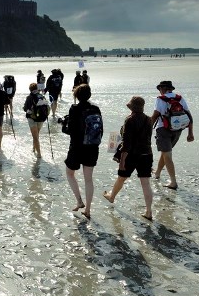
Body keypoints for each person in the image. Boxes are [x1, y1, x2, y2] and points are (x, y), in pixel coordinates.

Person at [103, 96, 154, 221]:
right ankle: (149, 211)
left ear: (131, 107)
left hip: (131, 155)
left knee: (121, 178)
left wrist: (122, 161)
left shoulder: (129, 120)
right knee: (145, 183)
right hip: (147, 154)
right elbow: (148, 138)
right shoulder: (149, 119)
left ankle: (112, 197)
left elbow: (126, 144)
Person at [62, 84, 102, 218]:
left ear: (76, 96)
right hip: (92, 147)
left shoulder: (75, 108)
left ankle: (79, 201)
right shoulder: (96, 108)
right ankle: (88, 210)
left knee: (69, 173)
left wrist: (64, 124)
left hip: (77, 147)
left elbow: (71, 130)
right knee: (88, 179)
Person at [150, 80, 194, 189]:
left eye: (160, 89)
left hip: (163, 130)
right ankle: (157, 173)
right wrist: (190, 133)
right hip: (178, 129)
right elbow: (189, 115)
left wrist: (147, 129)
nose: (159, 91)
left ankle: (173, 182)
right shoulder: (179, 98)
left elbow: (155, 115)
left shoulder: (160, 99)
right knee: (165, 152)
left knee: (167, 155)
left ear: (163, 89)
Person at [23, 83, 50, 159]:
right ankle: (34, 148)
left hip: (32, 119)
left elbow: (25, 108)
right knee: (36, 135)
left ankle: (39, 154)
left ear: (30, 89)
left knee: (35, 137)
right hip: (41, 119)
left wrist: (26, 109)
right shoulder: (42, 96)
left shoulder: (29, 97)